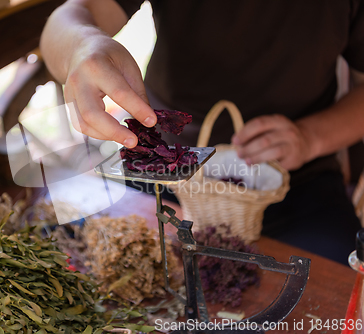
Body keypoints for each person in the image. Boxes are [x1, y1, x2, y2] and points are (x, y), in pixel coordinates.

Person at [40, 0, 364, 264]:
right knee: (81, 256)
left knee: (342, 289)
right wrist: (82, 45)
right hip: (163, 167)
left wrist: (311, 137)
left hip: (294, 182)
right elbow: (68, 19)